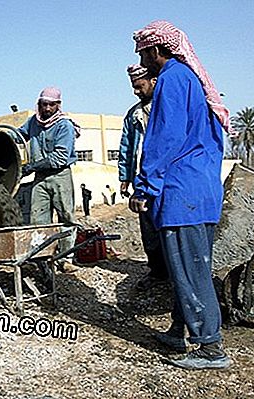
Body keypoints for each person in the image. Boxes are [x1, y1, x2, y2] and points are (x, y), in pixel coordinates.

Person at [130, 20, 231, 369]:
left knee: (190, 272)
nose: (142, 59)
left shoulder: (172, 79)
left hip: (181, 195)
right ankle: (179, 329)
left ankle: (210, 348)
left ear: (157, 49)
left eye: (143, 51)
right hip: (201, 191)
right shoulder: (193, 81)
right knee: (186, 268)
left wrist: (145, 186)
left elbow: (163, 139)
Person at [118, 64, 168, 290]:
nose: (136, 92)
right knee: (148, 228)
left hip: (169, 178)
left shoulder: (166, 106)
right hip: (144, 179)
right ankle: (158, 272)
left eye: (139, 86)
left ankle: (177, 273)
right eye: (133, 88)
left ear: (154, 82)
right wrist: (125, 176)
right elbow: (127, 149)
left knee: (171, 227)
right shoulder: (134, 115)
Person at [19, 87, 77, 256]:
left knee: (66, 218)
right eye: (44, 105)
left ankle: (66, 257)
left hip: (60, 176)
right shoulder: (33, 122)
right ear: (39, 104)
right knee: (38, 220)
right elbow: (19, 135)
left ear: (58, 105)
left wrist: (31, 167)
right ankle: (45, 257)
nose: (47, 109)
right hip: (40, 179)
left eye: (51, 105)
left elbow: (59, 157)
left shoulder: (64, 126)